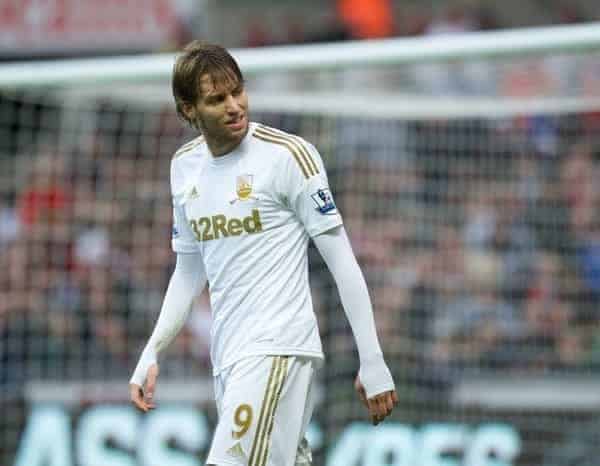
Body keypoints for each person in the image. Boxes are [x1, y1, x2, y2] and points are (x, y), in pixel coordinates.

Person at [129, 41, 397, 466]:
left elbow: (342, 260)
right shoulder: (184, 168)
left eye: (238, 91)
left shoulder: (288, 156)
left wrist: (373, 361)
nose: (235, 106)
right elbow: (188, 269)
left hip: (279, 347)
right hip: (230, 359)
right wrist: (153, 350)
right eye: (217, 99)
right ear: (188, 110)